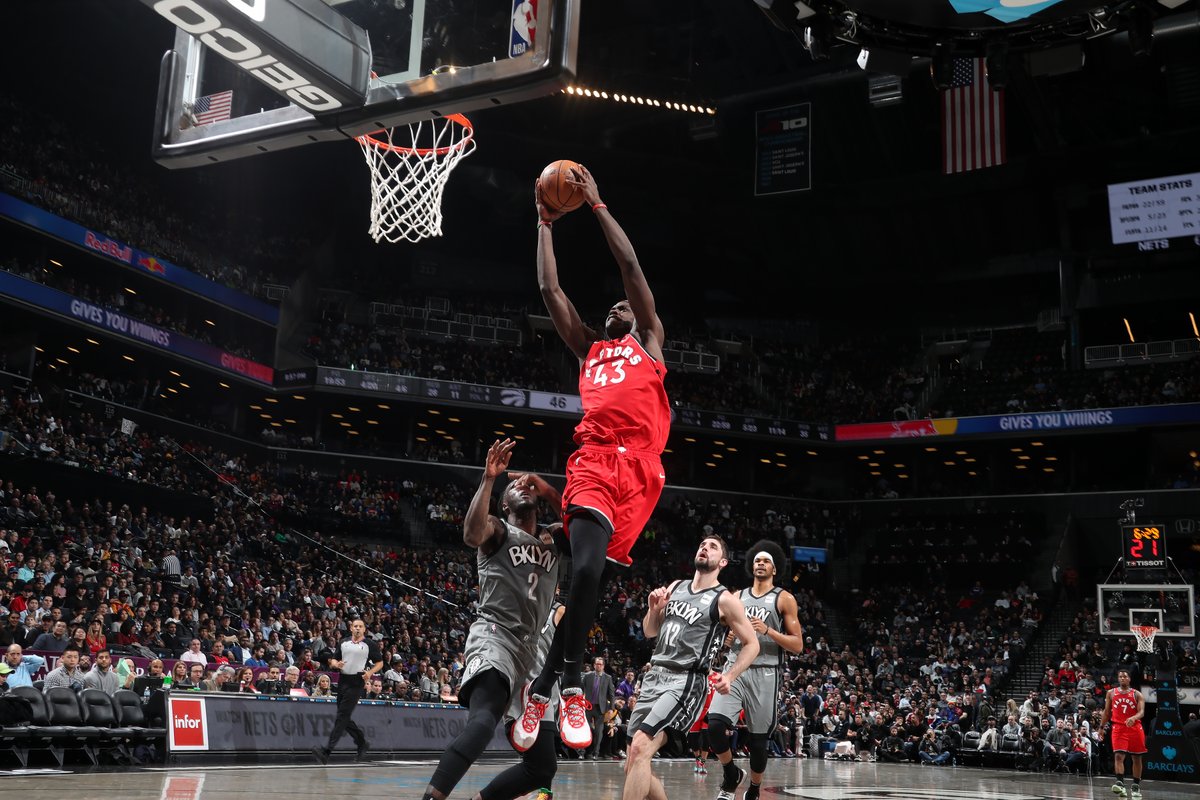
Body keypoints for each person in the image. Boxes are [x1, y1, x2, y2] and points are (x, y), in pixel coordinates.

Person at [518, 164, 671, 752]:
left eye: (624, 307)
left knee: (590, 580)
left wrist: (599, 206)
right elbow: (550, 291)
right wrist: (545, 223)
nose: (618, 307)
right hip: (593, 461)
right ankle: (573, 685)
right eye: (612, 307)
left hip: (641, 474)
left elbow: (630, 269)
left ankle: (540, 689)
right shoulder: (590, 347)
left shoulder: (648, 340)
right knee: (584, 572)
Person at [419, 439, 562, 800]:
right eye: (514, 487)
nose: (522, 488)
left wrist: (546, 488)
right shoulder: (497, 530)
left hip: (535, 653)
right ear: (504, 503)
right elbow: (471, 534)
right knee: (483, 723)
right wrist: (488, 479)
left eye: (525, 484)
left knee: (542, 768)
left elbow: (587, 526)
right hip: (496, 637)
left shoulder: (554, 537)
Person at [621, 536, 760, 800]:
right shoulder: (676, 586)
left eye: (713, 547)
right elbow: (651, 631)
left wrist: (730, 675)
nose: (704, 548)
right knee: (634, 762)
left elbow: (752, 644)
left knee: (640, 749)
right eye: (702, 545)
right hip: (654, 676)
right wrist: (653, 609)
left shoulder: (725, 599)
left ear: (723, 562)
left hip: (685, 681)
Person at [706, 540, 805, 800]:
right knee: (715, 725)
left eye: (766, 561)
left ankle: (754, 789)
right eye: (757, 560)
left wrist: (768, 630)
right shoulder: (737, 596)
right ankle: (730, 774)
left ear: (774, 568)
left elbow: (798, 645)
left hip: (766, 672)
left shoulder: (784, 598)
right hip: (736, 668)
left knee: (758, 741)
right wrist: (726, 642)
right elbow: (723, 631)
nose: (760, 564)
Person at [311, 618, 381, 764]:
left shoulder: (369, 644)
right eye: (355, 626)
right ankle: (362, 742)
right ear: (351, 628)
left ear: (364, 629)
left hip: (357, 682)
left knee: (342, 715)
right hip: (343, 680)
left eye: (360, 626)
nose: (357, 628)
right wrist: (336, 664)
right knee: (344, 716)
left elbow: (380, 663)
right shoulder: (343, 642)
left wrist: (370, 673)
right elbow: (334, 660)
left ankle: (326, 751)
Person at [1099, 667, 1146, 798]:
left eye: (1125, 676)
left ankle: (1136, 786)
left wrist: (1134, 717)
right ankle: (1120, 784)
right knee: (1119, 756)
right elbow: (1107, 712)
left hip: (1135, 728)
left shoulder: (1137, 694)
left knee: (1136, 758)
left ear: (1129, 679)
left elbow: (1141, 712)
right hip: (1118, 728)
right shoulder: (1111, 693)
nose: (1122, 678)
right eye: (1120, 676)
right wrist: (1101, 727)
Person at [582, 656, 615, 759]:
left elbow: (611, 694)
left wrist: (611, 709)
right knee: (585, 730)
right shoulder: (587, 676)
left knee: (598, 732)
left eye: (600, 664)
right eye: (597, 664)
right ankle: (582, 753)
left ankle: (595, 753)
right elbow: (581, 690)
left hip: (600, 708)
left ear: (603, 666)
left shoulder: (608, 678)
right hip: (587, 706)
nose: (598, 666)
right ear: (594, 665)